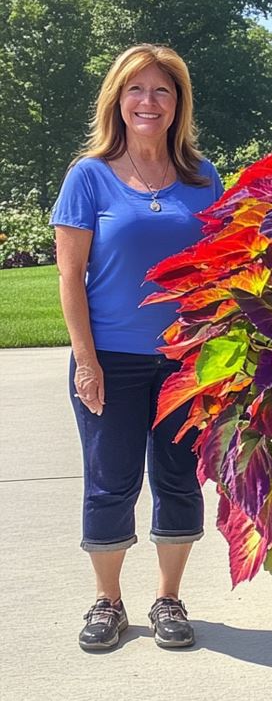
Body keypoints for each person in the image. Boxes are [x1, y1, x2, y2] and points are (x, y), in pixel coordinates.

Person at [50, 44, 224, 652]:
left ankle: (169, 598)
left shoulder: (204, 178)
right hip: (111, 358)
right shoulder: (88, 176)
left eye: (162, 91)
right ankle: (107, 602)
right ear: (117, 101)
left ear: (178, 104)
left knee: (178, 479)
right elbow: (70, 277)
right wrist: (87, 361)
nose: (149, 102)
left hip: (187, 358)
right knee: (110, 481)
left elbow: (220, 270)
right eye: (136, 90)